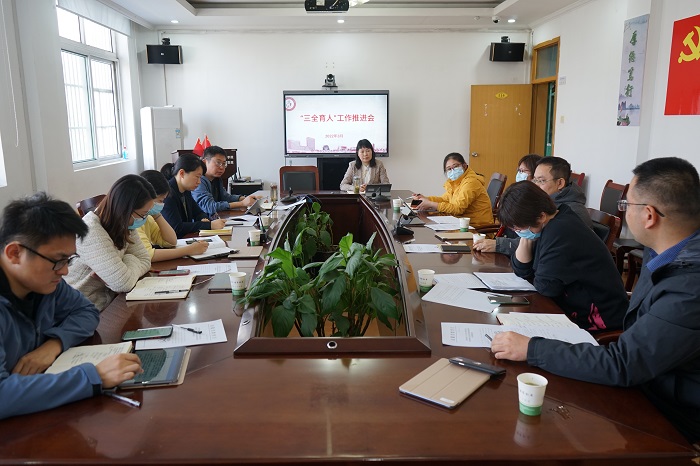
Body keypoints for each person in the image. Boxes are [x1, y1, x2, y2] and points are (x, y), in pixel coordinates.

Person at [491, 157, 700, 446]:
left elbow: (624, 364)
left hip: (669, 412)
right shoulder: (664, 253)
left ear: (649, 215)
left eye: (626, 205)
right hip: (646, 377)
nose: (623, 211)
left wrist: (531, 348)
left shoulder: (688, 288)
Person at [0, 192, 142, 419]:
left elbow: (86, 311)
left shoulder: (44, 284)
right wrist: (94, 377)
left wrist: (54, 344)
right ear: (15, 253)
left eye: (68, 260)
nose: (65, 271)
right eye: (58, 261)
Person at [497, 181, 627, 331]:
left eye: (518, 227)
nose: (517, 231)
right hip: (569, 307)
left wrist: (532, 270)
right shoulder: (549, 221)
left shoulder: (560, 231)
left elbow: (546, 287)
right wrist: (526, 238)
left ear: (541, 216)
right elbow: (521, 270)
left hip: (598, 317)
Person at [65, 175, 154, 311]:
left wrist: (126, 262)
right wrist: (129, 261)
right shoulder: (91, 231)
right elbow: (123, 283)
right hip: (80, 310)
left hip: (109, 303)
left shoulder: (125, 225)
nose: (144, 219)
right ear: (126, 210)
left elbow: (145, 259)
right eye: (143, 214)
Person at [474, 155, 592, 255]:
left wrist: (499, 245)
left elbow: (541, 244)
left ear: (560, 183)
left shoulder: (572, 213)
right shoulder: (543, 202)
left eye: (541, 181)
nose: (535, 185)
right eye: (535, 180)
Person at [473, 154, 542, 254]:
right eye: (519, 170)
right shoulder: (516, 193)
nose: (520, 174)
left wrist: (498, 244)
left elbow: (531, 242)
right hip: (507, 246)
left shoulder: (538, 201)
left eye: (523, 171)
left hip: (513, 251)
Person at [138, 170, 210, 262]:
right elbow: (148, 255)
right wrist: (188, 250)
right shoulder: (134, 220)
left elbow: (171, 242)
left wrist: (157, 215)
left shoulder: (148, 217)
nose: (162, 205)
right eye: (160, 201)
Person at [412, 152, 492, 227]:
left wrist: (431, 204)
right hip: (461, 222)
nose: (452, 170)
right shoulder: (456, 182)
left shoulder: (471, 182)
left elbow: (458, 209)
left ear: (464, 165)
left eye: (455, 166)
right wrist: (426, 199)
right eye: (449, 169)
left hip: (475, 227)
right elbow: (445, 199)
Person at [161, 154, 226, 238]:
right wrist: (209, 225)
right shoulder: (168, 195)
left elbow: (199, 212)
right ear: (182, 173)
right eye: (197, 177)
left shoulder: (186, 191)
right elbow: (177, 227)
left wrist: (203, 219)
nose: (199, 182)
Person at [192, 145, 261, 216]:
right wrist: (242, 203)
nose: (222, 167)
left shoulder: (217, 179)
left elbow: (225, 197)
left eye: (224, 163)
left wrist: (247, 199)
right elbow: (210, 207)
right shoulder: (199, 181)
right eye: (218, 163)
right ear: (205, 162)